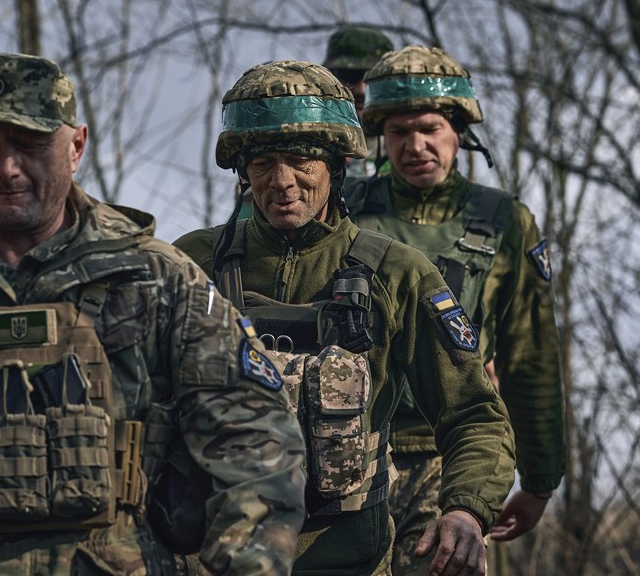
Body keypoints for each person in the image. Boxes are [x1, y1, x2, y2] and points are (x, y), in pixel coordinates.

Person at [0, 52, 308, 575]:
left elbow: (258, 451)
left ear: (75, 146)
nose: (7, 168)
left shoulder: (158, 280)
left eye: (30, 144)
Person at [173, 59, 516, 575]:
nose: (281, 181)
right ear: (243, 171)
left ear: (337, 165)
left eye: (300, 160)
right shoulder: (191, 265)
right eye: (263, 162)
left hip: (349, 559)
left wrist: (466, 509)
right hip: (214, 557)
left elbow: (473, 414)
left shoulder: (398, 273)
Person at [345, 45, 566, 574]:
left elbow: (529, 356)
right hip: (349, 451)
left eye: (429, 128)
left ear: (458, 132)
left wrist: (538, 481)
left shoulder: (505, 221)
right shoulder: (344, 208)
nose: (414, 145)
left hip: (454, 453)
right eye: (398, 132)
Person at [323, 24, 394, 177]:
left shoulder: (408, 144)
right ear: (329, 78)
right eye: (350, 76)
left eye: (373, 77)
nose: (362, 89)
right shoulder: (310, 142)